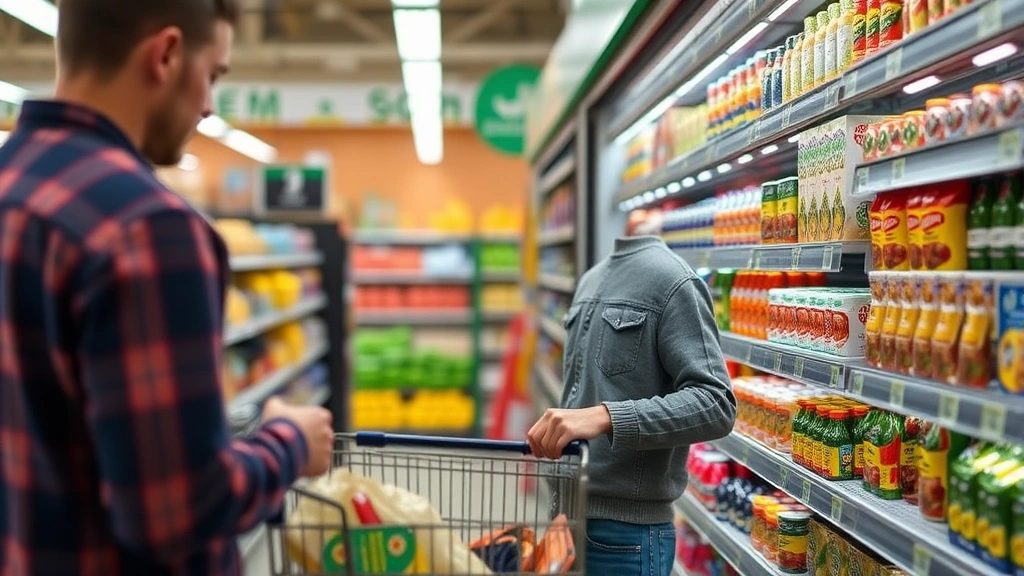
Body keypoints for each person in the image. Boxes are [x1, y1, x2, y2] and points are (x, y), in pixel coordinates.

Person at [0, 1, 334, 574]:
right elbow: (177, 514)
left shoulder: (11, 185)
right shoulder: (149, 229)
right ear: (167, 54)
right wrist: (289, 441)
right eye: (213, 76)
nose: (208, 106)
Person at [527, 236, 736, 576]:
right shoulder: (590, 279)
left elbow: (716, 402)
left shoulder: (674, 281)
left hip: (627, 537)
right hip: (568, 519)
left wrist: (608, 416)